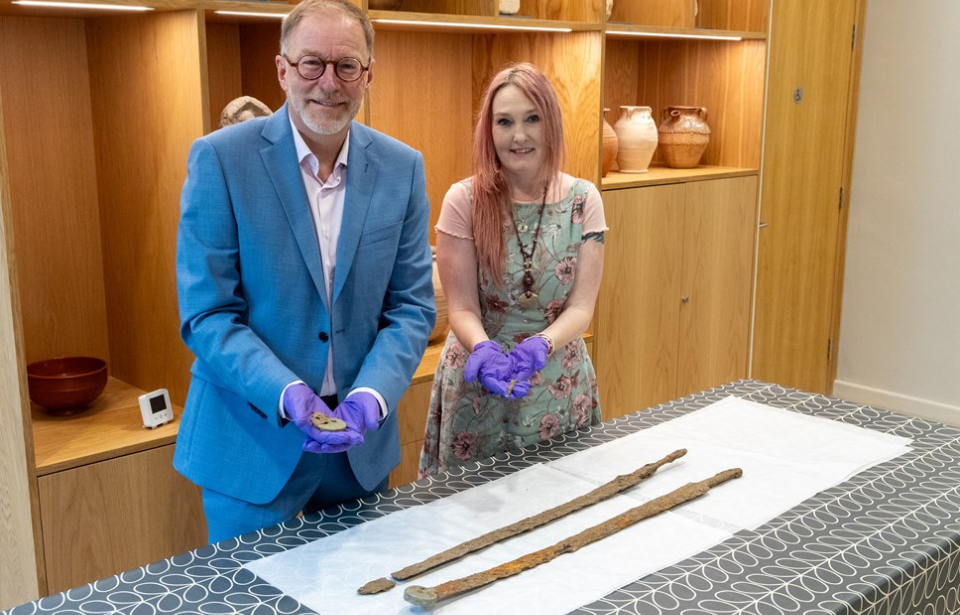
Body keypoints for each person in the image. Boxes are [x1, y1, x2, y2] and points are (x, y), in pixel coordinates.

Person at [174, 0, 435, 543]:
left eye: (347, 66)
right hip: (251, 444)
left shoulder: (403, 166)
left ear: (368, 75)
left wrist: (374, 396)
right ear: (282, 69)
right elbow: (207, 314)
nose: (328, 83)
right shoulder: (220, 160)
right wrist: (286, 392)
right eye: (312, 63)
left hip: (357, 454)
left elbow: (411, 307)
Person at [418, 62, 606, 478]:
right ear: (490, 130)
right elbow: (463, 308)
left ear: (551, 123)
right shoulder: (463, 200)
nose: (519, 135)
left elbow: (581, 308)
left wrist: (542, 343)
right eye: (505, 122)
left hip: (557, 381)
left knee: (560, 511)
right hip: (477, 385)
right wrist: (484, 350)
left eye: (532, 119)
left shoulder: (584, 199)